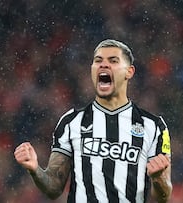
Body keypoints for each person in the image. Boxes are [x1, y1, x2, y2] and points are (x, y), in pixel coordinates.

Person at [14, 39, 172, 203]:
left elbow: (164, 197)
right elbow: (54, 187)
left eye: (113, 61)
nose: (103, 65)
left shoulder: (154, 126)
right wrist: (35, 169)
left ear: (129, 72)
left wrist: (158, 178)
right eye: (98, 61)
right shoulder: (71, 122)